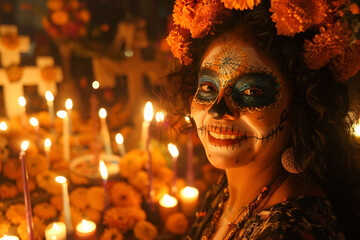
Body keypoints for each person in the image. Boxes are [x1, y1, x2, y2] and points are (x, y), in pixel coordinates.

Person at [156, 0, 360, 239]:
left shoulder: (292, 230)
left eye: (252, 92)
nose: (217, 111)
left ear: (301, 108)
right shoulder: (228, 186)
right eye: (209, 87)